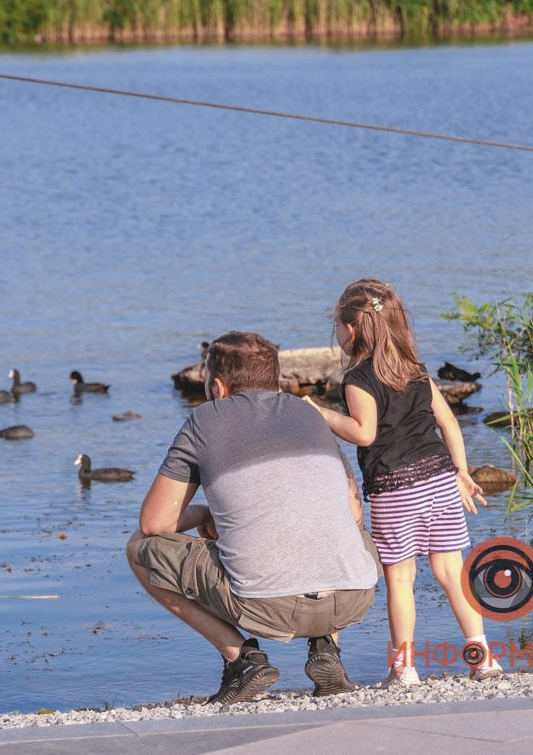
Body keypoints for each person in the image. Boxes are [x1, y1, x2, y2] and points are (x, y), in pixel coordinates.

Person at [126, 331, 380, 704]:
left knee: (138, 548)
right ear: (275, 379)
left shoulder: (205, 419)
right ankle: (326, 647)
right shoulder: (308, 414)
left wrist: (206, 513)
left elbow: (154, 525)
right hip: (353, 596)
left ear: (217, 386)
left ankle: (241, 659)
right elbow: (352, 508)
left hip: (267, 606)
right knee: (346, 526)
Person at [305, 278, 503, 686]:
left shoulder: (358, 379)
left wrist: (319, 412)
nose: (338, 335)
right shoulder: (415, 369)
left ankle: (404, 667)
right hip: (441, 479)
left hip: (395, 488)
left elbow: (364, 432)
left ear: (353, 330)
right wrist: (462, 472)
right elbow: (449, 423)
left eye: (338, 327)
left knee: (400, 580)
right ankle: (483, 659)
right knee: (452, 572)